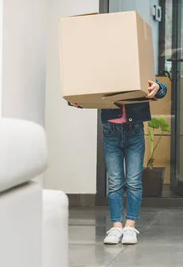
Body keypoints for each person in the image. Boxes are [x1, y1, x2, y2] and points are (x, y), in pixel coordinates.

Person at [70, 79, 167, 245]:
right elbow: (89, 92)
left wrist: (158, 87)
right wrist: (77, 101)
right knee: (114, 182)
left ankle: (130, 225)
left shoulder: (137, 70)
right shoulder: (107, 72)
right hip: (110, 133)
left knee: (134, 181)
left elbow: (161, 90)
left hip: (134, 132)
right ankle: (116, 225)